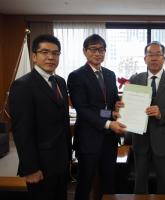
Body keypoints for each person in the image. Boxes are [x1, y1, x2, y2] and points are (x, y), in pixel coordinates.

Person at [8, 34, 71, 200]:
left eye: (55, 53)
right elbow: (22, 130)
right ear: (34, 56)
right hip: (40, 165)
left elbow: (62, 121)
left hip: (61, 160)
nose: (51, 57)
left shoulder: (60, 82)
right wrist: (31, 168)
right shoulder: (23, 85)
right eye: (45, 52)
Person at [67, 34, 126, 200]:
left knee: (108, 181)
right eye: (93, 49)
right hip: (88, 140)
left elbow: (105, 106)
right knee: (85, 183)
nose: (98, 53)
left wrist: (115, 109)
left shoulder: (109, 74)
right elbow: (83, 109)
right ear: (85, 51)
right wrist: (109, 122)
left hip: (109, 140)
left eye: (101, 49)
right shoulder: (76, 76)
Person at [124, 41, 165, 194]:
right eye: (150, 54)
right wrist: (123, 107)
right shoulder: (136, 78)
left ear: (164, 58)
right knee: (140, 180)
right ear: (145, 59)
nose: (154, 58)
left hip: (164, 139)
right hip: (140, 139)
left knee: (164, 180)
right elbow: (129, 106)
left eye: (158, 54)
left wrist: (161, 113)